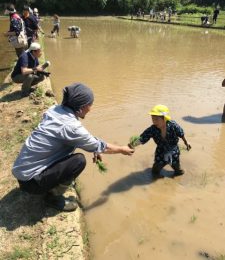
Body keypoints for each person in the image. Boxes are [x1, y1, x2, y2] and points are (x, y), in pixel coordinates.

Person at [12, 83, 134, 211]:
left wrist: (94, 148)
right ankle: (52, 197)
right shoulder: (72, 127)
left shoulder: (54, 110)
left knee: (72, 150)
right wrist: (121, 149)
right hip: (31, 183)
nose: (91, 109)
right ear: (81, 108)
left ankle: (53, 182)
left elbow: (80, 138)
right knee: (78, 161)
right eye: (90, 105)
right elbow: (98, 145)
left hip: (22, 172)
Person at [129, 104, 191, 178]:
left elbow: (181, 133)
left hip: (173, 150)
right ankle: (157, 176)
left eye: (156, 119)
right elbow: (143, 138)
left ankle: (178, 173)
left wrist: (186, 143)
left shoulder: (173, 125)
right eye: (153, 119)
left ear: (164, 118)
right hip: (160, 151)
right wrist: (133, 144)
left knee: (176, 167)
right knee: (156, 169)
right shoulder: (153, 129)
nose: (154, 122)